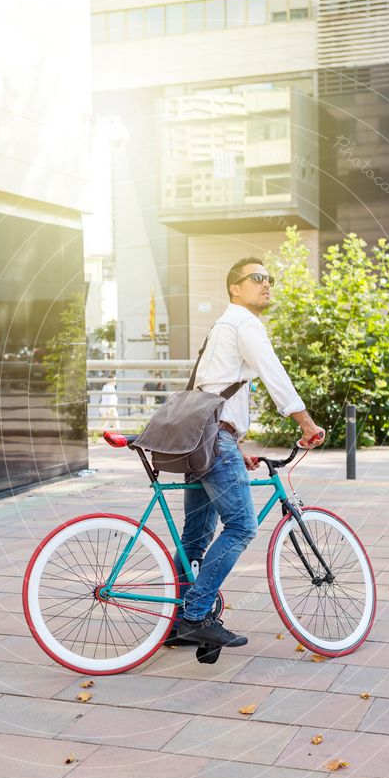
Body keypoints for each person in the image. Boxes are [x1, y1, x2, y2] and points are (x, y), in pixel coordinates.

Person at [169, 256, 325, 649]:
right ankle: (195, 613)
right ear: (235, 288)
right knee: (242, 526)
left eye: (269, 278)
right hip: (212, 441)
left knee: (196, 537)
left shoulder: (223, 326)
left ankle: (175, 621)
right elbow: (274, 374)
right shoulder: (242, 322)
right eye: (257, 278)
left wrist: (236, 447)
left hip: (202, 440)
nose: (266, 283)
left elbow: (214, 393)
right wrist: (306, 423)